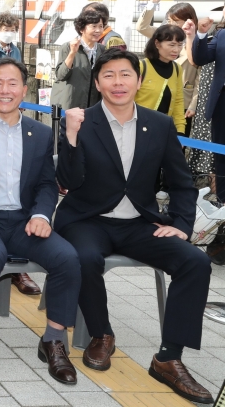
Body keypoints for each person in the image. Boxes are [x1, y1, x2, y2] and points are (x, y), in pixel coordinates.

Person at [55, 48, 212, 404]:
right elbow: (67, 179)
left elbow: (181, 182)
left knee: (195, 262)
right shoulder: (82, 120)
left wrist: (183, 226)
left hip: (140, 222)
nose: (118, 82)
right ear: (97, 83)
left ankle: (168, 357)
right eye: (108, 75)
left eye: (125, 74)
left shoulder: (158, 124)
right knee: (84, 257)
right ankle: (102, 334)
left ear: (139, 80)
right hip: (88, 219)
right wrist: (71, 136)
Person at [0, 58, 80, 388]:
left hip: (22, 221)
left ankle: (53, 339)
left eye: (12, 84)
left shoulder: (39, 132)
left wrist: (40, 215)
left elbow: (47, 184)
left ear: (24, 89)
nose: (5, 90)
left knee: (67, 258)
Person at [137, 0, 200, 133]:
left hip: (183, 100)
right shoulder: (163, 34)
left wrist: (193, 104)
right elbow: (142, 27)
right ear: (157, 43)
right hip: (147, 115)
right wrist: (152, 3)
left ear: (189, 20)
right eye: (170, 20)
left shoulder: (198, 43)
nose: (175, 49)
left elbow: (200, 78)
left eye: (176, 21)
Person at [193, 15, 225, 202]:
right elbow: (201, 58)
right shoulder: (221, 35)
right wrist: (202, 34)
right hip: (222, 103)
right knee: (221, 153)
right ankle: (222, 204)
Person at [136, 25, 186, 134]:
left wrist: (180, 130)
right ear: (157, 44)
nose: (176, 49)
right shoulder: (141, 67)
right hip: (138, 129)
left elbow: (178, 102)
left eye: (180, 45)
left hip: (163, 130)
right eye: (171, 45)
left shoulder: (177, 69)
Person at [51, 9, 106, 109]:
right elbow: (61, 75)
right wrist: (72, 53)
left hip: (92, 105)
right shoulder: (68, 47)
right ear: (82, 29)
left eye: (101, 26)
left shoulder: (102, 50)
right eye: (94, 26)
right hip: (69, 104)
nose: (98, 30)